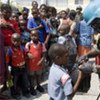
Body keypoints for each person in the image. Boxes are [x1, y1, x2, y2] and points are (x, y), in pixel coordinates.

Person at [6, 33, 30, 99]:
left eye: (18, 40)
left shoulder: (22, 48)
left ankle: (25, 92)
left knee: (24, 80)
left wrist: (28, 54)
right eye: (14, 40)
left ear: (21, 40)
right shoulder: (10, 50)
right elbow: (7, 62)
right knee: (14, 82)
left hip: (23, 68)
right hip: (15, 69)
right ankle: (14, 94)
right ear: (11, 40)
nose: (16, 42)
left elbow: (27, 52)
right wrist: (8, 72)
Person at [25, 30, 46, 96]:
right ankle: (32, 88)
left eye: (35, 35)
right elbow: (25, 52)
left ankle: (38, 85)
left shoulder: (41, 44)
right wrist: (28, 53)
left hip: (39, 64)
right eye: (32, 36)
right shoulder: (28, 44)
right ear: (30, 36)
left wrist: (42, 60)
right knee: (32, 76)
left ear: (38, 36)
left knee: (38, 75)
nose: (33, 37)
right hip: (31, 64)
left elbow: (44, 53)